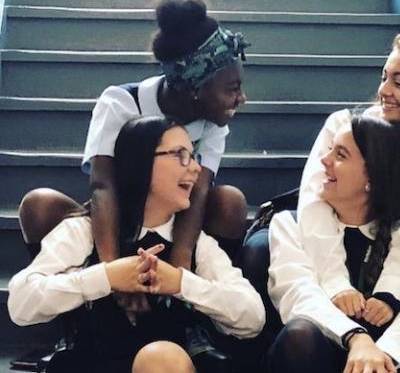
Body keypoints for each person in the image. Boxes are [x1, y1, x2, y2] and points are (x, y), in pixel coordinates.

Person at [18, 0, 250, 321]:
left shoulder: (214, 122)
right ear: (195, 89)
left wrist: (181, 277)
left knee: (230, 201)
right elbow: (103, 187)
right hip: (117, 222)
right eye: (232, 88)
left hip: (171, 225)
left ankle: (196, 324)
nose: (242, 98)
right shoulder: (121, 102)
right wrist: (114, 272)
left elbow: (199, 192)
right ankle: (79, 318)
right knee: (39, 205)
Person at [8, 117, 265, 373]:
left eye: (194, 156)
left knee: (161, 359)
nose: (196, 169)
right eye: (180, 155)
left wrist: (180, 282)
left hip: (171, 364)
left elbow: (253, 318)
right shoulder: (84, 231)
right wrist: (105, 276)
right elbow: (21, 304)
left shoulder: (196, 243)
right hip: (95, 363)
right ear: (140, 163)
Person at [297, 33, 400, 315]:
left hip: (384, 245)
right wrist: (336, 282)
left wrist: (389, 293)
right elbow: (313, 201)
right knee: (259, 249)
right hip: (330, 234)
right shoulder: (343, 125)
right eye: (384, 77)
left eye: (398, 82)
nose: (384, 89)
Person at [268, 115, 400, 373]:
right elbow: (298, 295)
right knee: (300, 334)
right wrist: (357, 338)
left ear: (373, 178)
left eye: (341, 155)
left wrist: (380, 357)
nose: (325, 159)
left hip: (382, 365)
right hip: (313, 358)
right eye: (330, 149)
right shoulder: (289, 224)